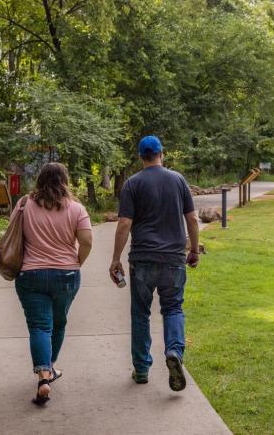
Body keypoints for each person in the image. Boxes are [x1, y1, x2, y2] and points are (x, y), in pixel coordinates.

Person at [109, 135, 200, 391]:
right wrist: (193, 250)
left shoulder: (132, 184)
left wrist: (116, 258)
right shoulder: (178, 180)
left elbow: (124, 224)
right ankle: (174, 352)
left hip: (142, 260)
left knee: (140, 314)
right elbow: (192, 219)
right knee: (172, 309)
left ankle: (141, 369)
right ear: (162, 153)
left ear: (141, 157)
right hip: (173, 259)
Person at [11, 162, 93, 405]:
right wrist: (77, 261)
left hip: (31, 275)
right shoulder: (76, 209)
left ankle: (44, 378)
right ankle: (50, 368)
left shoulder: (24, 204)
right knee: (58, 323)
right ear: (64, 181)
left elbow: (13, 233)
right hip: (66, 275)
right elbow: (87, 240)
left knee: (39, 327)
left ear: (40, 180)